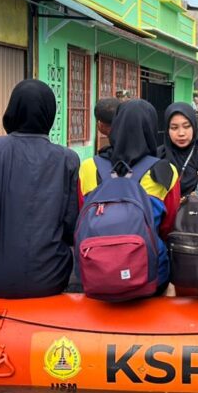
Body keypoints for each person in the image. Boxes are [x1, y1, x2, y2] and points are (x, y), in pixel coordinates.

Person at [0, 80, 80, 299]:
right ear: (50, 114)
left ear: (12, 110)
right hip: (52, 278)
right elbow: (71, 221)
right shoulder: (68, 159)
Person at [79, 99, 179, 293]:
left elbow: (81, 217)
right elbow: (168, 227)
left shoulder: (89, 167)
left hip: (95, 271)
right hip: (150, 275)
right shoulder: (165, 172)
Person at [158, 102, 198, 199]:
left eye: (186, 126)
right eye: (174, 128)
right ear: (167, 130)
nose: (181, 133)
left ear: (194, 126)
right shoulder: (158, 156)